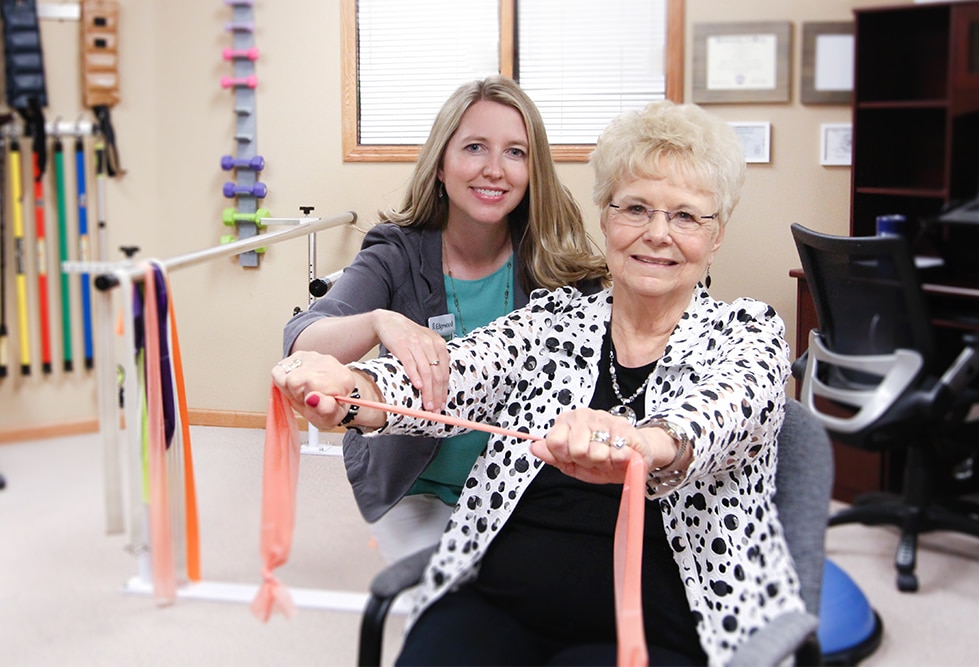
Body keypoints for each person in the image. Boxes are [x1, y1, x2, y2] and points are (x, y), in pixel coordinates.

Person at [273, 100, 802, 666]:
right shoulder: (554, 320)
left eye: (686, 217)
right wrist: (354, 392)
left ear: (717, 235)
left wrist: (639, 443)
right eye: (636, 208)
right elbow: (458, 369)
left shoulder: (748, 330)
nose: (656, 234)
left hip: (660, 619)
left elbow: (721, 414)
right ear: (605, 216)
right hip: (501, 599)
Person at [282, 75, 606, 563]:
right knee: (455, 606)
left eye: (515, 152)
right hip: (420, 485)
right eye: (475, 147)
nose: (495, 170)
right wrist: (377, 321)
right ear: (441, 163)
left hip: (523, 485)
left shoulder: (555, 261)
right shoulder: (397, 250)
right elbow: (301, 341)